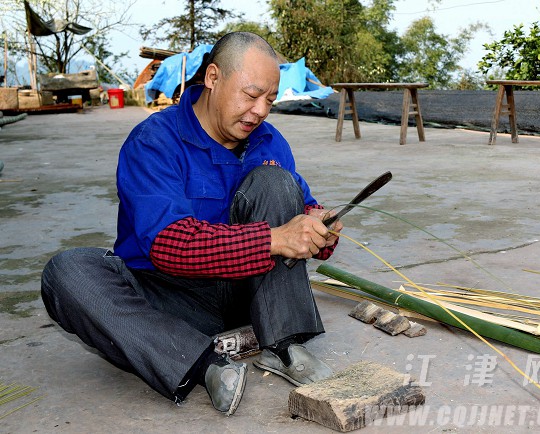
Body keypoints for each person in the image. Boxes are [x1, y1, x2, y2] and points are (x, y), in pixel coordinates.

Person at [41, 31, 343, 416]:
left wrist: (320, 229)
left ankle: (282, 345)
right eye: (251, 96)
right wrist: (273, 239)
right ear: (213, 78)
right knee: (66, 273)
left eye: (270, 99)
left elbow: (300, 211)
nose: (261, 110)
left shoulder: (270, 142)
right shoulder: (154, 141)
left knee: (275, 181)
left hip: (246, 292)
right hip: (168, 297)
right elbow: (170, 245)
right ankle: (203, 365)